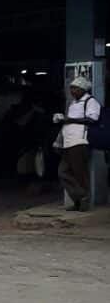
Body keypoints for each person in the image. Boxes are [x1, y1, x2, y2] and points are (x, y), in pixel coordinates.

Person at [53, 75, 100, 212]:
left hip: (80, 141)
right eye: (71, 88)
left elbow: (92, 120)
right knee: (63, 172)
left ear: (83, 89)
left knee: (79, 173)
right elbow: (67, 123)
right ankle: (80, 197)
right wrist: (58, 140)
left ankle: (82, 201)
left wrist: (69, 119)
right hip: (68, 142)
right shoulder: (73, 104)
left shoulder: (90, 102)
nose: (72, 91)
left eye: (75, 88)